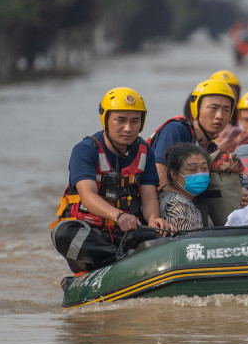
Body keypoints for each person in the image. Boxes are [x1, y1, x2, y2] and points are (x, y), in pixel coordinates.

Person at [52, 87, 173, 273]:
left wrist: (154, 219)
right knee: (62, 233)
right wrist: (118, 216)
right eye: (120, 120)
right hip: (89, 232)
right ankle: (123, 260)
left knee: (166, 238)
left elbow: (149, 197)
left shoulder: (145, 152)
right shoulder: (85, 150)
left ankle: (125, 260)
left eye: (135, 121)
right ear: (106, 120)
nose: (128, 128)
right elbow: (87, 196)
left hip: (127, 233)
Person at [149, 79, 246, 225]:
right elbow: (160, 179)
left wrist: (242, 194)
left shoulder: (214, 150)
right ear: (196, 109)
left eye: (226, 110)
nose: (220, 115)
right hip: (164, 207)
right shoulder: (176, 129)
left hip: (194, 205)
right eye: (213, 108)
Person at [158, 142, 211, 231]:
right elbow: (193, 243)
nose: (200, 174)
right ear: (174, 174)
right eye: (192, 169)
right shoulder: (175, 205)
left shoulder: (193, 199)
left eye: (204, 168)